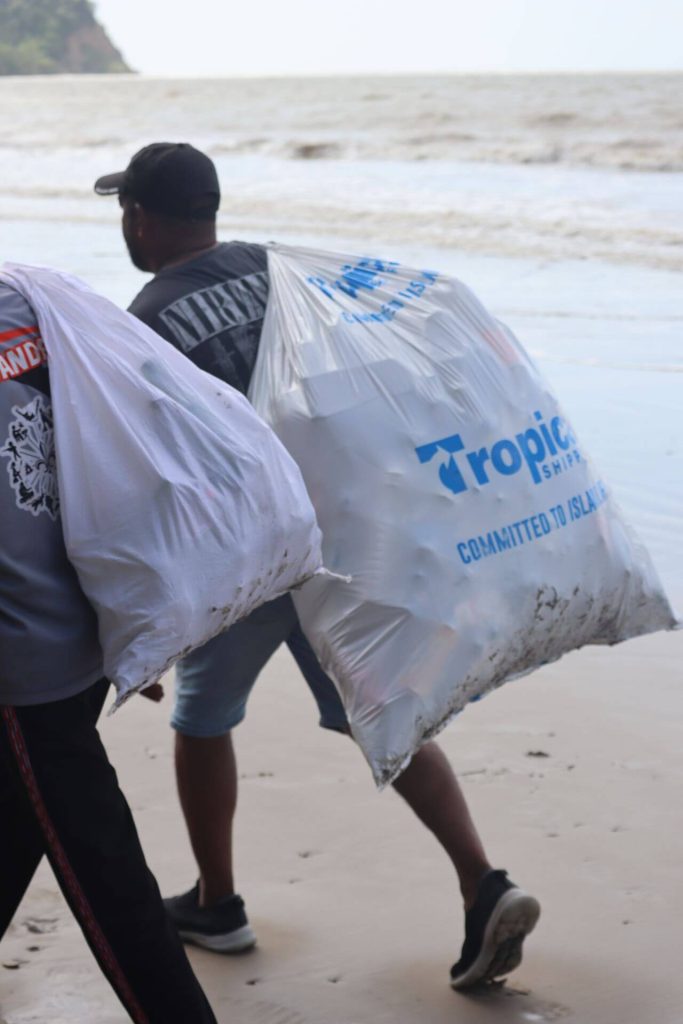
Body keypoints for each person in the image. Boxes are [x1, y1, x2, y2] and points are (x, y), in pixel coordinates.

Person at [94, 142, 541, 990]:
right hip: (349, 538)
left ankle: (218, 903)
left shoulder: (147, 320)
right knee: (378, 710)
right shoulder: (278, 270)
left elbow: (156, 475)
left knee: (201, 717)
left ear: (142, 218)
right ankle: (481, 881)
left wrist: (134, 617)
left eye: (125, 208)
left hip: (256, 559)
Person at [0, 276, 218, 1024]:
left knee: (106, 878)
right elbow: (128, 445)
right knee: (23, 822)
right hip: (79, 626)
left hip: (25, 668)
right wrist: (132, 611)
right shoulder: (36, 300)